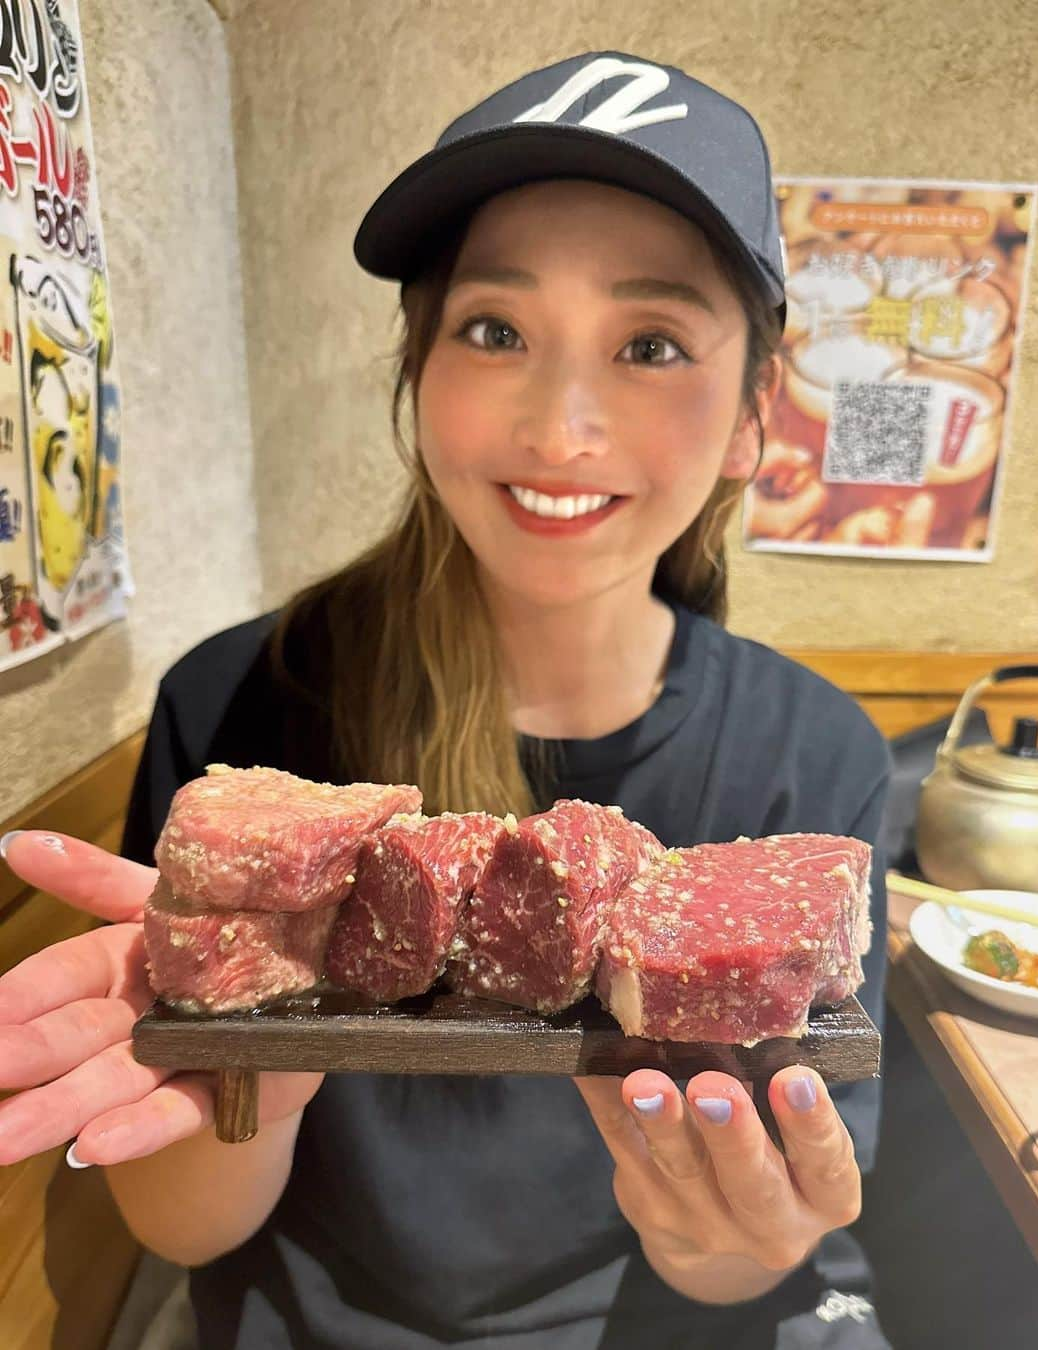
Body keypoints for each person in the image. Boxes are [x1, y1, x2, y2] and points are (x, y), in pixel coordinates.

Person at [0, 52, 894, 1349]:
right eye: (495, 330)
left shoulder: (812, 756)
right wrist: (261, 1063)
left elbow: (747, 1256)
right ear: (419, 369)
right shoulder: (245, 704)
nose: (562, 423)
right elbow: (187, 1223)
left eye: (649, 344)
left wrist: (723, 1238)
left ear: (757, 410)